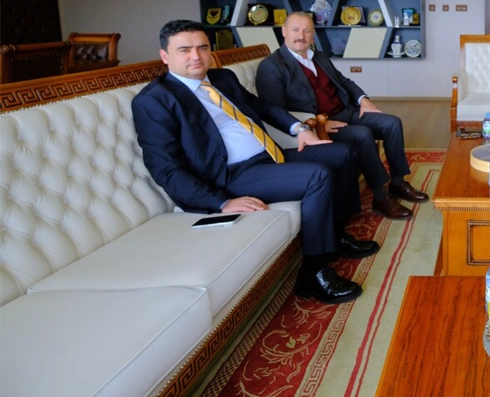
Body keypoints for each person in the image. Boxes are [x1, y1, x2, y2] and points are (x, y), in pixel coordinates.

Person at [133, 20, 379, 306]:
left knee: (343, 152)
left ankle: (336, 236)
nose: (196, 56)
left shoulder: (222, 78)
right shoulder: (154, 100)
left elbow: (261, 106)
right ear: (165, 56)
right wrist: (222, 202)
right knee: (317, 175)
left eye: (202, 47)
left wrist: (300, 129)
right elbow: (166, 169)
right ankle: (313, 273)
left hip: (267, 157)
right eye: (184, 50)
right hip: (229, 176)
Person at [255, 12, 428, 221]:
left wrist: (364, 100)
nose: (301, 36)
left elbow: (344, 82)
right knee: (362, 134)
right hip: (318, 122)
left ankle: (398, 183)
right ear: (284, 32)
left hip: (345, 111)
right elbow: (275, 111)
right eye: (296, 30)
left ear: (313, 34)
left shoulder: (319, 56)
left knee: (391, 123)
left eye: (307, 30)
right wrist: (317, 125)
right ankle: (380, 197)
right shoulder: (272, 66)